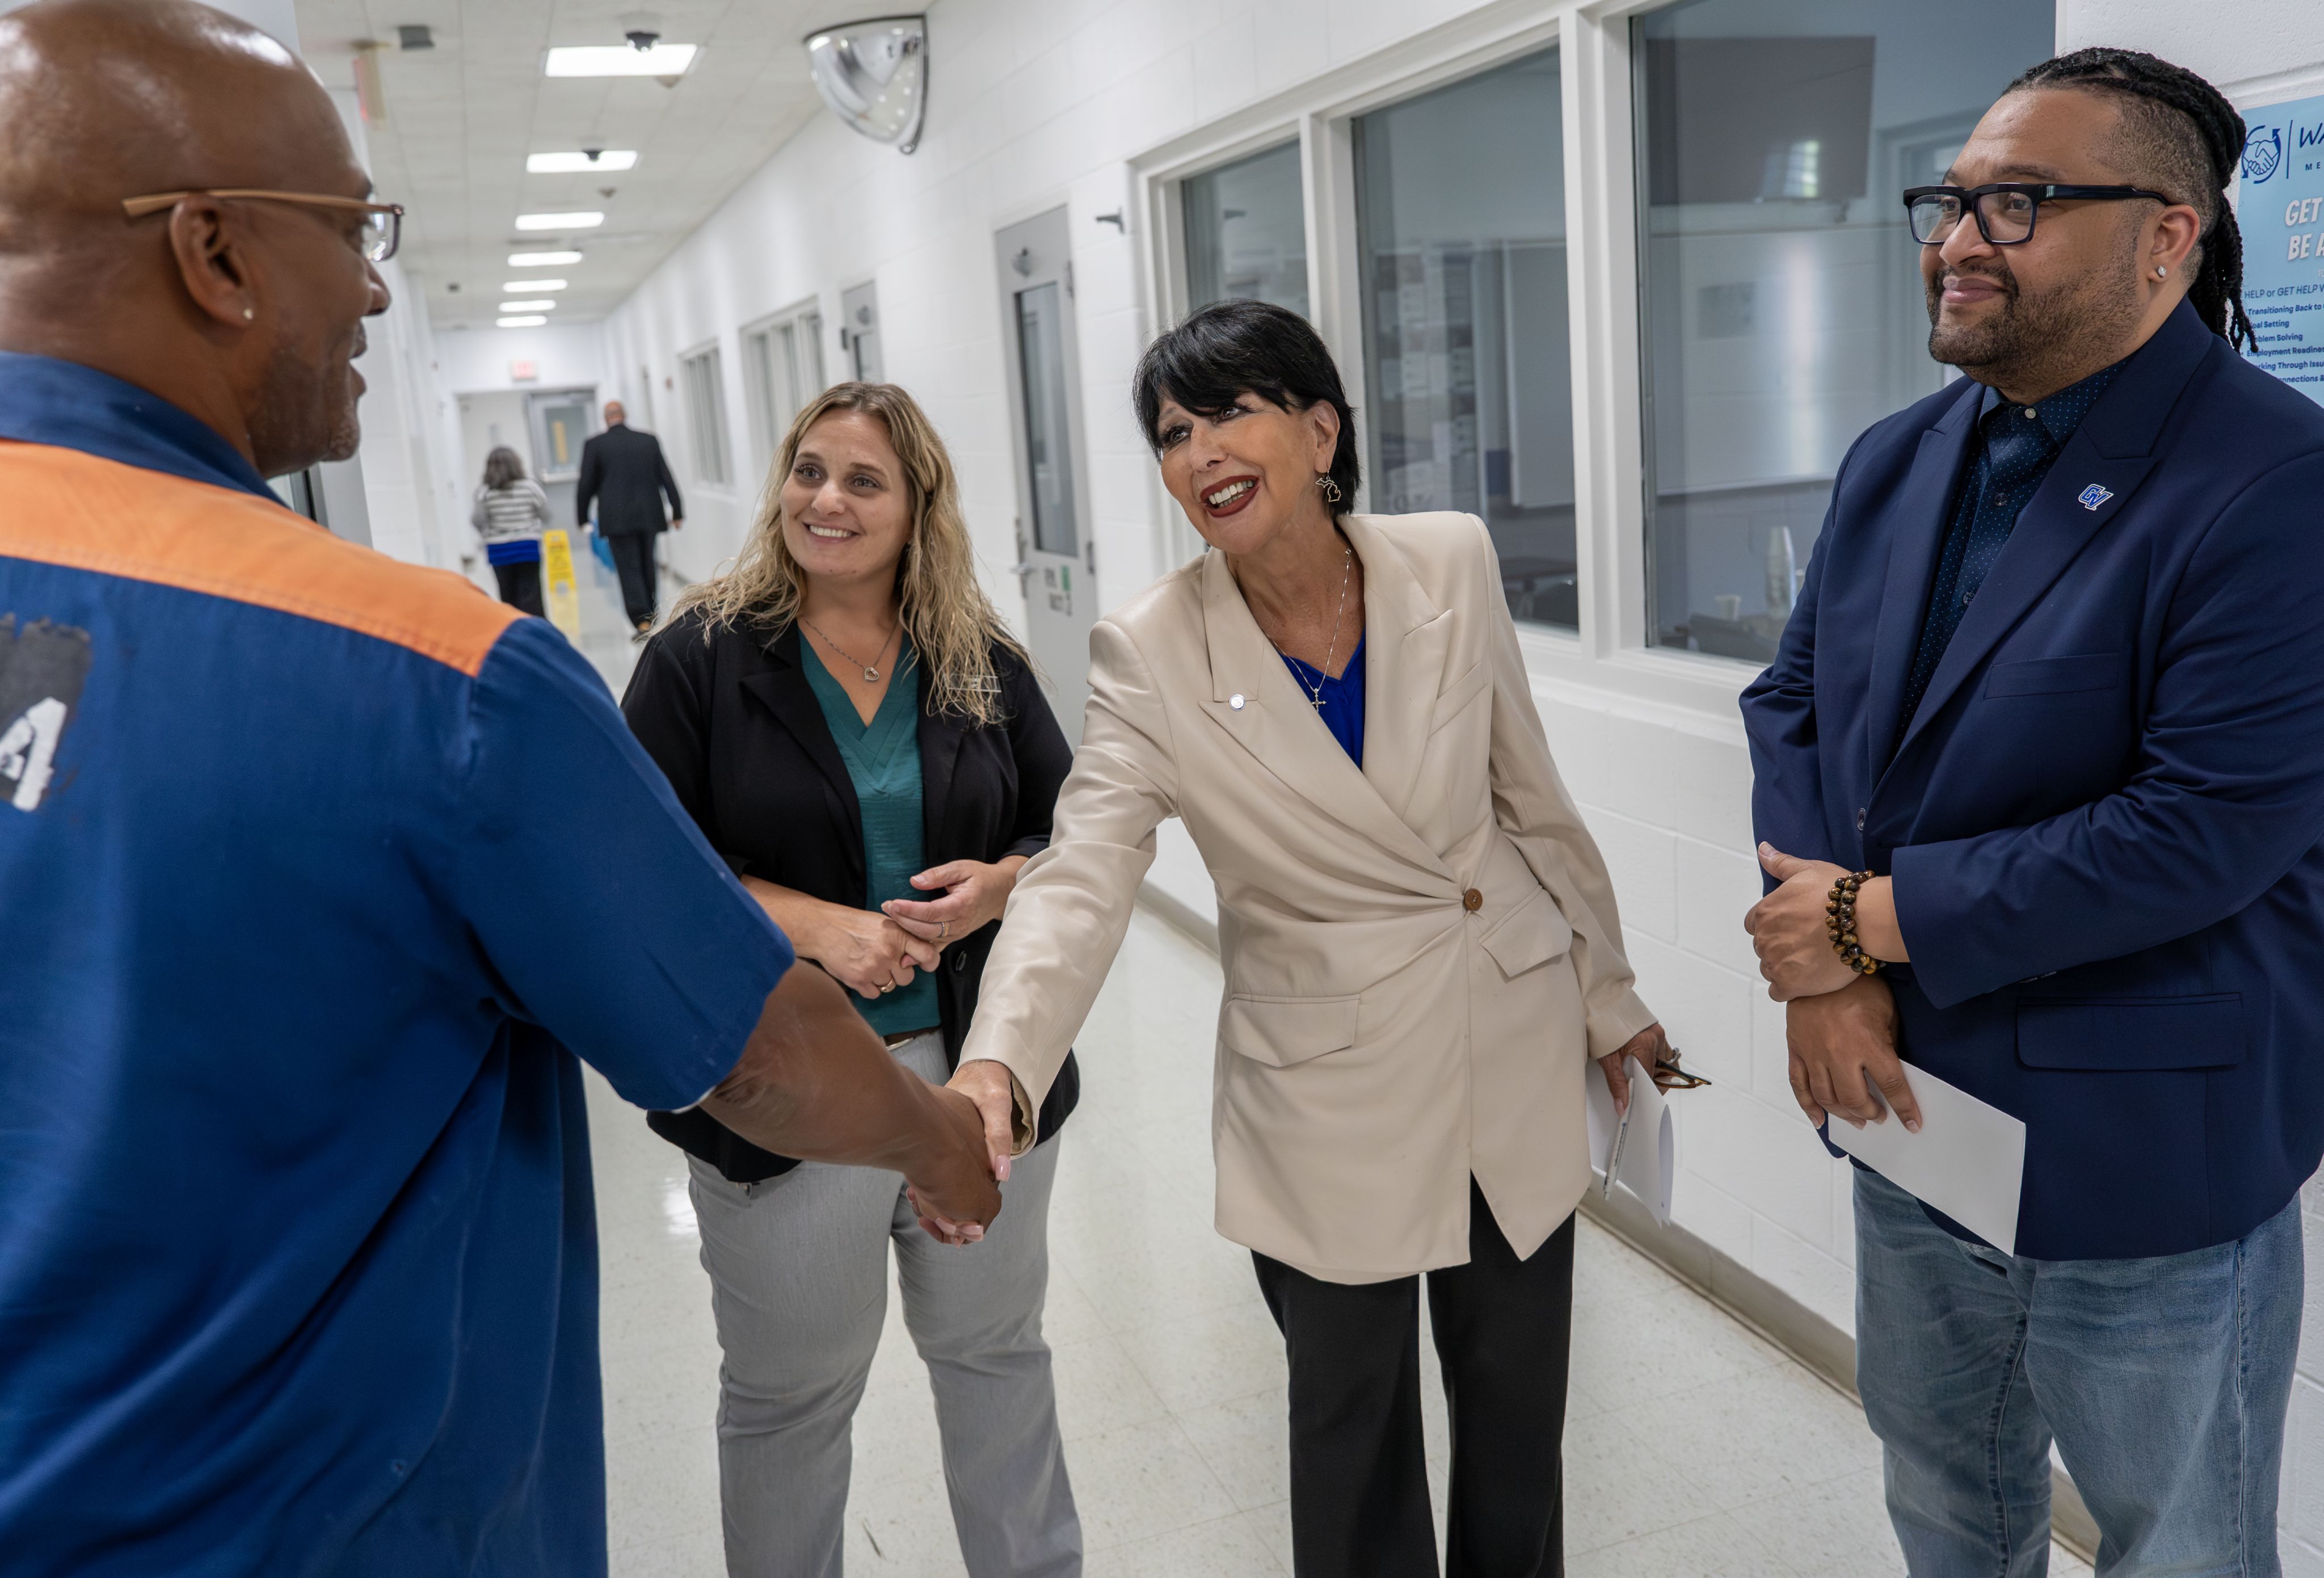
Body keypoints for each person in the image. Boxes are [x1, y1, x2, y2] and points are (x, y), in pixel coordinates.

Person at [0, 5, 999, 1576]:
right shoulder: (432, 674)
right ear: (215, 253)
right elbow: (754, 1051)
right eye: (354, 228)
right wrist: (942, 1142)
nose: (379, 283)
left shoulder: (966, 654)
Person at [934, 299, 1674, 1577]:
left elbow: (1529, 799)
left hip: (1503, 1039)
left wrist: (1610, 1000)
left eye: (1232, 410)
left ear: (1320, 426)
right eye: (1172, 432)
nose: (1200, 449)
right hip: (1323, 1089)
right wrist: (1001, 1058)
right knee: (1348, 1440)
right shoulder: (1150, 648)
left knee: (1515, 1432)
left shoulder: (1446, 562)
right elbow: (1082, 868)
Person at [1738, 47, 2324, 1577]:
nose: (1958, 237)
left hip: (2144, 1152)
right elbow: (1793, 707)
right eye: (1954, 199)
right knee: (1946, 1498)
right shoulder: (1902, 459)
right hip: (1910, 1108)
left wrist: (1858, 925)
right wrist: (1828, 974)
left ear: (2166, 237)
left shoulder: (2273, 484)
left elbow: (2198, 829)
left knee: (2178, 1541)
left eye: (2021, 202)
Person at [622, 381, 1083, 1576]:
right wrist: (809, 924)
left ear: (917, 506)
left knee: (995, 1355)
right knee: (790, 1395)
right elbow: (631, 866)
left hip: (977, 1078)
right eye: (808, 469)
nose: (825, 499)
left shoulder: (977, 662)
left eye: (862, 480)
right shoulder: (700, 660)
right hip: (792, 1091)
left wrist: (995, 886)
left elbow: (1074, 839)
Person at [575, 397, 683, 633]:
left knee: (628, 568)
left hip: (617, 519)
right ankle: (653, 614)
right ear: (625, 415)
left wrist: (582, 518)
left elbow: (586, 484)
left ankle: (641, 619)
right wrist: (677, 510)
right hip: (649, 515)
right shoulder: (648, 440)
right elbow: (666, 476)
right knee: (648, 564)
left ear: (606, 419)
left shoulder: (595, 445)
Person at [471, 443, 550, 615]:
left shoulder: (484, 493)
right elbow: (545, 515)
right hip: (527, 547)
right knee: (532, 594)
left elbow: (477, 521)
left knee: (507, 597)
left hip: (499, 550)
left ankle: (515, 632)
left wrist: (491, 532)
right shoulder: (531, 487)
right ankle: (537, 632)